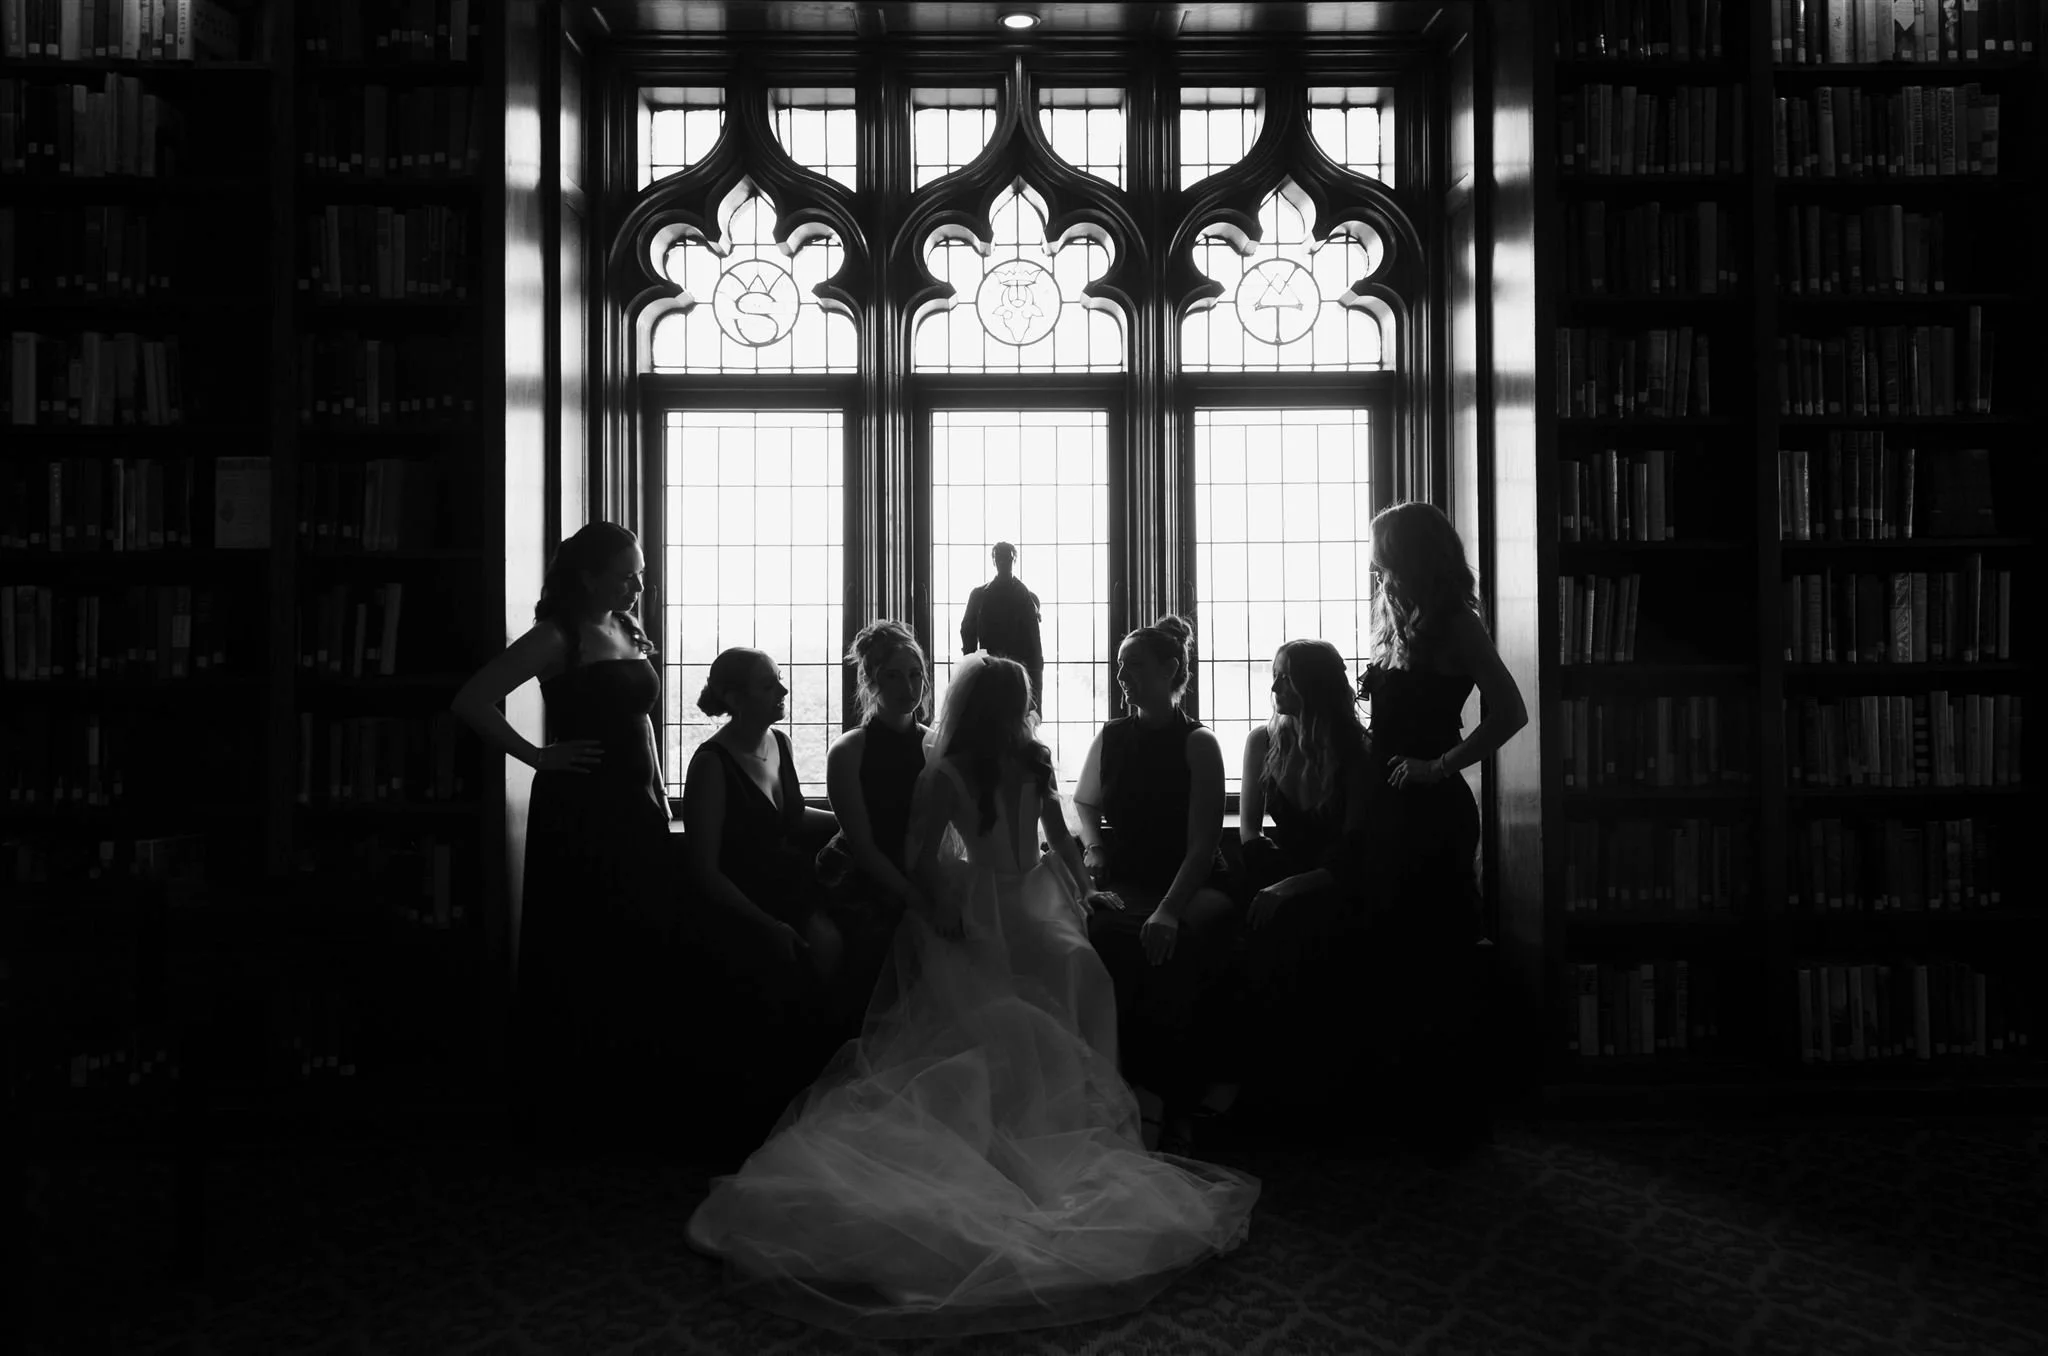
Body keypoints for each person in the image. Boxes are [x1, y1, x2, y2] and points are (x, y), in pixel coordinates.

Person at [686, 654, 1261, 1339]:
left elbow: (1060, 835)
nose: (1027, 710)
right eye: (1019, 699)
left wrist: (1082, 889)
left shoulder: (1035, 760)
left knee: (1082, 970)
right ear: (999, 706)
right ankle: (1011, 1129)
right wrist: (939, 902)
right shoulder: (947, 772)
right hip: (979, 900)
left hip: (1033, 895)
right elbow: (920, 854)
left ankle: (1079, 1118)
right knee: (995, 1006)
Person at [449, 521, 669, 1117]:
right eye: (626, 577)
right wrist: (538, 756)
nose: (637, 588)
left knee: (634, 945)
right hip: (580, 812)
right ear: (587, 576)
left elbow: (641, 723)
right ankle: (573, 1101)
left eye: (641, 576)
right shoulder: (557, 636)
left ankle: (629, 1091)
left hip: (635, 809)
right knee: (584, 946)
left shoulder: (625, 627)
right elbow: (472, 699)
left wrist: (661, 799)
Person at [1359, 500, 1528, 1153]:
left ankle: (1451, 1120)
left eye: (1381, 549)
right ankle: (1409, 1110)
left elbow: (1510, 711)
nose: (1373, 562)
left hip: (1431, 814)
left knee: (1439, 960)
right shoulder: (1401, 619)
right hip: (1388, 807)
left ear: (1408, 553)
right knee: (1399, 957)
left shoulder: (1458, 622)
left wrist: (1441, 764)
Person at [1073, 616, 1237, 1155]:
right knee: (1100, 934)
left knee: (1169, 944)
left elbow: (1203, 844)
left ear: (1171, 671)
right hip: (1128, 876)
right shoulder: (1112, 737)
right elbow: (1084, 803)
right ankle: (1123, 1090)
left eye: (1134, 666)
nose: (1123, 676)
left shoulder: (1199, 743)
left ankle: (1174, 1096)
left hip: (1191, 882)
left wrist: (1168, 908)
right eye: (1120, 667)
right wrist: (1095, 846)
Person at [1205, 638, 1377, 1132]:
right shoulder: (1263, 741)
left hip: (1335, 881)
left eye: (1286, 676)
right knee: (1244, 936)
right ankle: (1252, 1086)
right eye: (1274, 674)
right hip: (1278, 871)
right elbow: (1249, 833)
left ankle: (1296, 1096)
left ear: (1315, 686)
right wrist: (1274, 881)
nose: (1275, 685)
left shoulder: (1356, 751)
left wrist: (1289, 888)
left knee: (1293, 933)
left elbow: (1354, 852)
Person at [681, 647, 844, 1119]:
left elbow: (793, 816)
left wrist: (850, 824)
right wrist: (766, 924)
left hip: (788, 889)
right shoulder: (711, 764)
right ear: (734, 696)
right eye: (769, 684)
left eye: (780, 681)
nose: (784, 690)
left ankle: (817, 1105)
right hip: (740, 906)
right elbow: (705, 870)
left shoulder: (779, 741)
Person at [816, 619, 932, 1032]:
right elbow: (863, 847)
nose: (909, 686)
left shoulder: (934, 744)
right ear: (870, 680)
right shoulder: (848, 751)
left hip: (918, 865)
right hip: (859, 874)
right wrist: (914, 897)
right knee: (882, 946)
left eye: (916, 674)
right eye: (893, 676)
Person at [959, 541, 1044, 709]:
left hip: (1020, 673)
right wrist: (974, 668)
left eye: (1007, 558)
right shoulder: (979, 595)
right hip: (989, 670)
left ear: (1014, 560)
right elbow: (967, 632)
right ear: (993, 561)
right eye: (999, 558)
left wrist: (1036, 691)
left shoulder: (1027, 597)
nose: (1003, 563)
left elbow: (1035, 644)